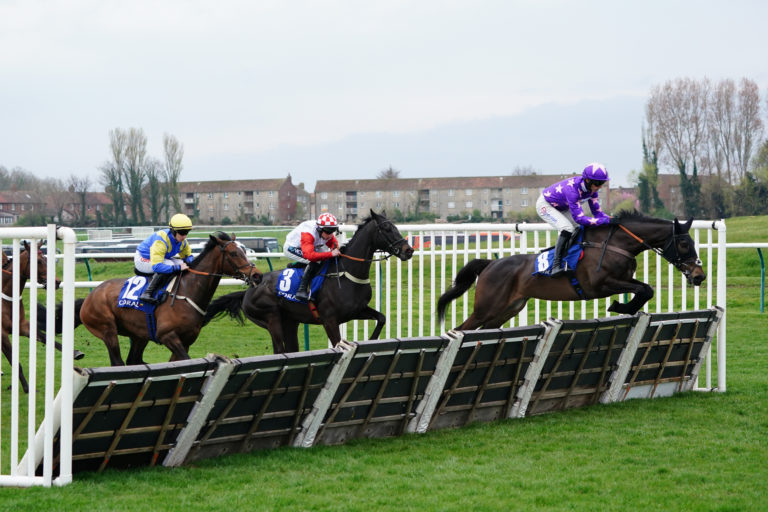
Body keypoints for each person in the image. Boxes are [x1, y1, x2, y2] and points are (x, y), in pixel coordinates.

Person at [536, 162, 614, 276]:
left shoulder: (592, 191)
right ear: (587, 180)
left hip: (562, 206)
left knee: (577, 229)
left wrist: (612, 219)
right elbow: (580, 219)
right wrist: (604, 221)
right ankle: (555, 266)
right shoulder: (572, 190)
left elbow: (597, 213)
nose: (600, 187)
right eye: (598, 183)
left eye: (602, 183)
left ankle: (568, 257)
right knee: (567, 228)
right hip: (546, 205)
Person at [134, 213, 195, 305]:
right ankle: (147, 293)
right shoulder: (161, 241)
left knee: (180, 262)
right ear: (173, 231)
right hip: (142, 258)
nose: (184, 236)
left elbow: (188, 257)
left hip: (159, 258)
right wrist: (178, 268)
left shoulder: (183, 242)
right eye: (182, 233)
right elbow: (157, 267)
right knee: (171, 265)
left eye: (186, 232)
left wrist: (190, 261)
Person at [283, 212, 341, 301]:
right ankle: (301, 290)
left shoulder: (325, 231)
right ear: (320, 229)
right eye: (328, 232)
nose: (330, 235)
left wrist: (335, 248)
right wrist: (331, 253)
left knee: (324, 258)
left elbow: (332, 242)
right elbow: (310, 256)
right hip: (292, 247)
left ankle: (296, 265)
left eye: (332, 231)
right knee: (316, 260)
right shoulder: (308, 233)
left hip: (309, 246)